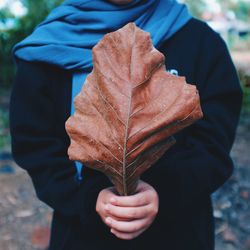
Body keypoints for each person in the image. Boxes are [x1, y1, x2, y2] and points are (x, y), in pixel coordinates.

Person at [10, 0, 242, 249]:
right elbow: (35, 146)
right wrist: (87, 199)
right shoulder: (46, 50)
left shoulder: (199, 43)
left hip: (179, 233)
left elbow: (213, 145)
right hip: (82, 236)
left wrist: (165, 191)